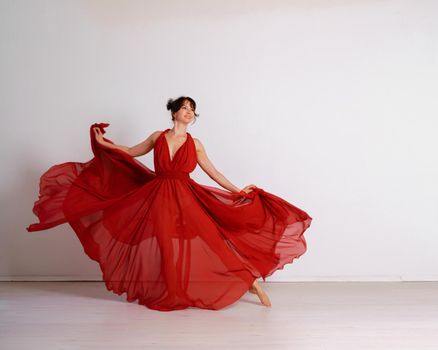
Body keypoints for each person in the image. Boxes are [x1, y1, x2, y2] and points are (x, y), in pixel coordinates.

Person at [27, 96, 312, 312]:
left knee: (213, 241)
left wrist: (238, 190)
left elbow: (214, 172)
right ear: (174, 111)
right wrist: (103, 144)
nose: (189, 113)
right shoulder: (158, 137)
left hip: (188, 197)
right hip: (159, 196)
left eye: (192, 110)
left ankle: (249, 283)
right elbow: (129, 152)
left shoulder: (196, 143)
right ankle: (173, 292)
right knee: (165, 244)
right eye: (185, 108)